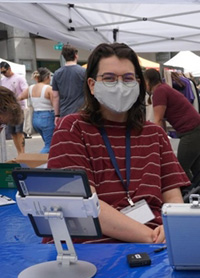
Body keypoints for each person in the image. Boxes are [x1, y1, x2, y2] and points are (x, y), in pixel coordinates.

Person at [47, 43, 190, 244]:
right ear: (91, 84)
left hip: (156, 246)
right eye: (109, 78)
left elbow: (174, 198)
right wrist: (150, 237)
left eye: (128, 78)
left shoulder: (155, 134)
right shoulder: (72, 128)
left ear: (139, 84)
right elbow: (86, 205)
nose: (120, 85)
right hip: (94, 248)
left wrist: (172, 225)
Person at [143, 68, 200, 199]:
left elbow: (158, 119)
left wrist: (156, 142)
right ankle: (198, 197)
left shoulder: (159, 91)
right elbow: (160, 121)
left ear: (148, 81)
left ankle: (190, 195)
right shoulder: (164, 88)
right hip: (198, 129)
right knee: (196, 169)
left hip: (192, 132)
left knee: (180, 168)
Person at [17, 68, 55, 153]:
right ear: (46, 77)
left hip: (35, 118)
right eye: (50, 76)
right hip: (47, 117)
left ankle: (48, 162)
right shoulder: (48, 88)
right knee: (49, 146)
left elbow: (20, 97)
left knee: (47, 142)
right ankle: (38, 162)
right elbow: (54, 104)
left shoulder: (30, 88)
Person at [51, 44, 86, 124]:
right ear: (76, 55)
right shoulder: (83, 72)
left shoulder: (57, 73)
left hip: (64, 113)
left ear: (64, 57)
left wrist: (57, 115)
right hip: (81, 112)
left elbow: (55, 96)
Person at [0, 61, 28, 155]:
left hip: (18, 107)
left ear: (9, 68)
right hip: (7, 110)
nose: (3, 74)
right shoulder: (3, 80)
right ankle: (19, 152)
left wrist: (16, 99)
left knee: (19, 131)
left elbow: (26, 91)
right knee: (12, 132)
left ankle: (22, 153)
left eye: (4, 71)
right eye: (1, 73)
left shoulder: (19, 78)